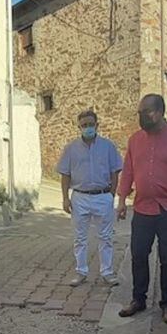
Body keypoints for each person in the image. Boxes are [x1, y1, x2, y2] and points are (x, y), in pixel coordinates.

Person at [116, 94, 167, 325]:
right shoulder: (135, 140)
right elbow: (129, 171)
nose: (142, 116)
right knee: (139, 254)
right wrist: (122, 200)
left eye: (146, 112)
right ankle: (138, 299)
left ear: (160, 111)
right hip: (142, 208)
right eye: (139, 112)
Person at [58, 110, 124, 287]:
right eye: (84, 125)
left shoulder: (108, 146)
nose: (88, 128)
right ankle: (81, 271)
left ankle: (107, 272)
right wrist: (65, 198)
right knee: (80, 238)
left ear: (97, 125)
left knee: (106, 237)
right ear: (79, 127)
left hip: (103, 196)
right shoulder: (71, 149)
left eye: (90, 124)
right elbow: (65, 174)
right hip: (80, 197)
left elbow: (115, 170)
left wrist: (111, 193)